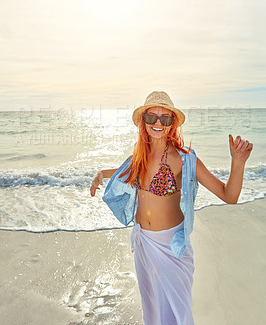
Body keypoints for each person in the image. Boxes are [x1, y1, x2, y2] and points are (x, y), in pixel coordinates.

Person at [90, 91, 253, 325]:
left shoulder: (185, 159)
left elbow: (229, 195)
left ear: (172, 124)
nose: (158, 123)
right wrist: (100, 174)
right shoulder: (139, 157)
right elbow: (123, 174)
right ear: (142, 122)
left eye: (165, 118)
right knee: (153, 313)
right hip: (143, 243)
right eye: (152, 118)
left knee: (177, 316)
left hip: (172, 249)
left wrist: (238, 163)